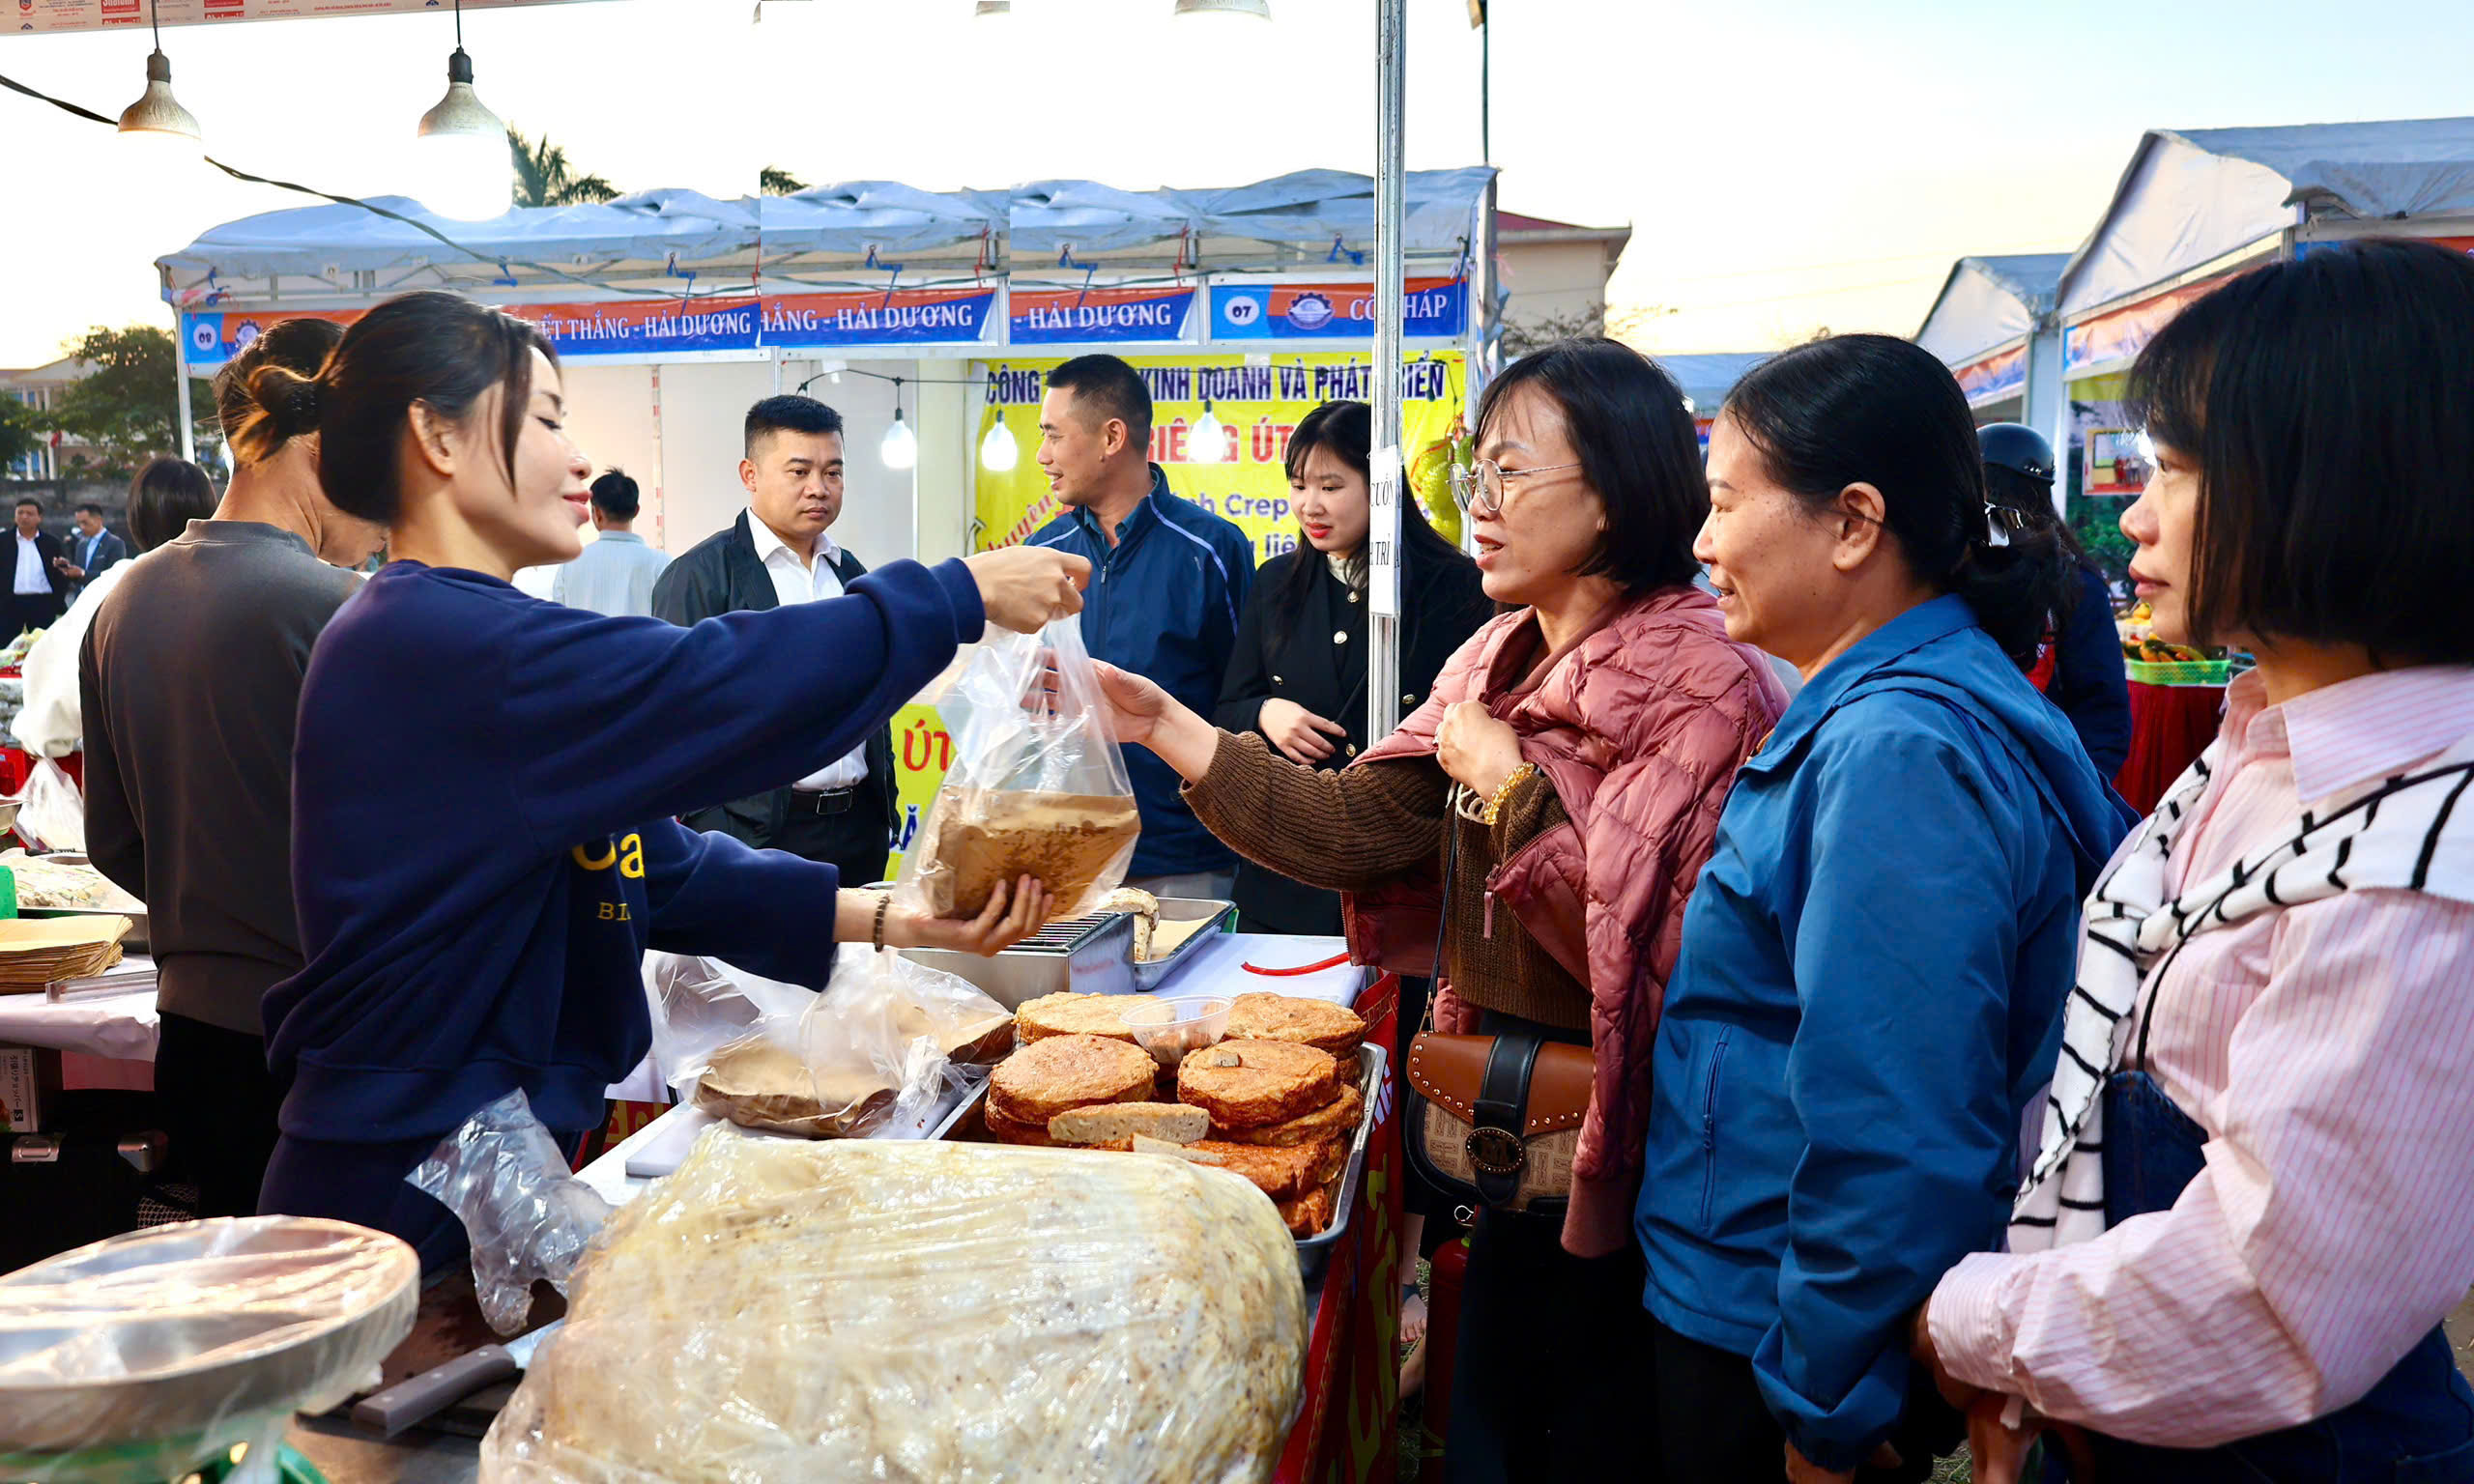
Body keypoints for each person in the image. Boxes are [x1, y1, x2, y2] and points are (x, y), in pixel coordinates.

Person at [251, 291, 1086, 1270]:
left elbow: (659, 867)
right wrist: (955, 594)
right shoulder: (432, 639)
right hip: (402, 1190)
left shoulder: (474, 635)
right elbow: (719, 685)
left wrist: (898, 919)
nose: (579, 462)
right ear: (439, 436)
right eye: (548, 421)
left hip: (482, 1165)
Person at [1091, 339, 1789, 1482]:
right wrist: (1166, 723)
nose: (1481, 503)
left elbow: (1675, 954)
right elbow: (1355, 828)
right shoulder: (1497, 656)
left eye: (1511, 472)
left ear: (1614, 495)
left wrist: (1514, 790)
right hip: (1515, 1123)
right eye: (1476, 474)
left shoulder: (1704, 684)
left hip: (1647, 1153)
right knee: (1497, 1420)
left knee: (1600, 1433)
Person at [1914, 241, 2474, 1482]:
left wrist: (1970, 1324)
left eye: (2172, 469)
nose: (2131, 515)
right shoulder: (2263, 744)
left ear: (2336, 483)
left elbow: (2270, 1291)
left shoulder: (2428, 858)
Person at [1634, 334, 2135, 1484]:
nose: (1703, 543)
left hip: (1774, 1325)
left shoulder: (1894, 751)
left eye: (1726, 503)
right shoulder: (1900, 705)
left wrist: (1826, 1407)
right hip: (1771, 1294)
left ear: (1854, 523)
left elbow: (1896, 1121)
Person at [79, 317, 386, 1221]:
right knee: (353, 1292)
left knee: (242, 1287)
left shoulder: (121, 601)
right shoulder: (341, 608)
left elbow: (113, 841)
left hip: (191, 1038)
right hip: (327, 1040)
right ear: (320, 445)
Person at [1214, 400, 1492, 934]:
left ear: (1381, 488)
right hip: (1288, 872)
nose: (1309, 505)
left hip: (1409, 874)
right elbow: (1228, 707)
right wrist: (1265, 712)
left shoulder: (1457, 587)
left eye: (1331, 486)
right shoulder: (1275, 584)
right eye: (1299, 485)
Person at [1029, 354, 1256, 899]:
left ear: (1112, 437)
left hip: (1186, 855)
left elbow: (1241, 701)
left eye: (1054, 435)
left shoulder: (1212, 549)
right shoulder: (1041, 554)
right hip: (1068, 855)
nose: (1043, 456)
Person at [651, 396, 898, 888]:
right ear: (751, 474)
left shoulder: (851, 575)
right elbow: (673, 719)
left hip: (857, 831)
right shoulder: (701, 576)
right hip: (754, 835)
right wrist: (712, 824)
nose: (818, 488)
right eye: (799, 471)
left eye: (833, 472)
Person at [14, 458, 217, 757]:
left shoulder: (117, 587)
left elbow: (49, 710)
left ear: (135, 518)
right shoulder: (248, 580)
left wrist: (33, 735)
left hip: (144, 772)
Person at [1980, 421, 2132, 779]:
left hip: (2046, 784)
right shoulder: (1963, 568)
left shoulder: (2075, 583)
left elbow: (2103, 714)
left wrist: (2073, 793)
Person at [552, 469, 669, 617]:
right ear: (636, 510)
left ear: (597, 512)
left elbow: (559, 619)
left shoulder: (570, 564)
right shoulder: (661, 564)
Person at [8, 499, 68, 635]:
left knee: (42, 643)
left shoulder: (51, 543)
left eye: (29, 513)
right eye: (20, 512)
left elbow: (62, 572)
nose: (24, 517)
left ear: (39, 518)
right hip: (10, 603)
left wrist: (56, 601)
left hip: (42, 603)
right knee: (6, 644)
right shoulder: (3, 541)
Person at [54, 501, 128, 598]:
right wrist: (68, 568)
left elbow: (115, 576)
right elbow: (78, 575)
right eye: (79, 523)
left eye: (85, 522)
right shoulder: (81, 544)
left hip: (102, 600)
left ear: (99, 520)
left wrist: (83, 574)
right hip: (81, 599)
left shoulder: (115, 543)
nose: (81, 527)